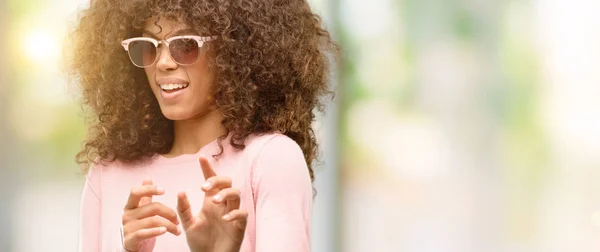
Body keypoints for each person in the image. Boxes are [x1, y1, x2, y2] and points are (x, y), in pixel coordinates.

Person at [68, 0, 336, 251]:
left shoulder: (270, 160)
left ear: (235, 49)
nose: (163, 63)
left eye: (185, 45)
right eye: (148, 46)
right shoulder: (107, 172)